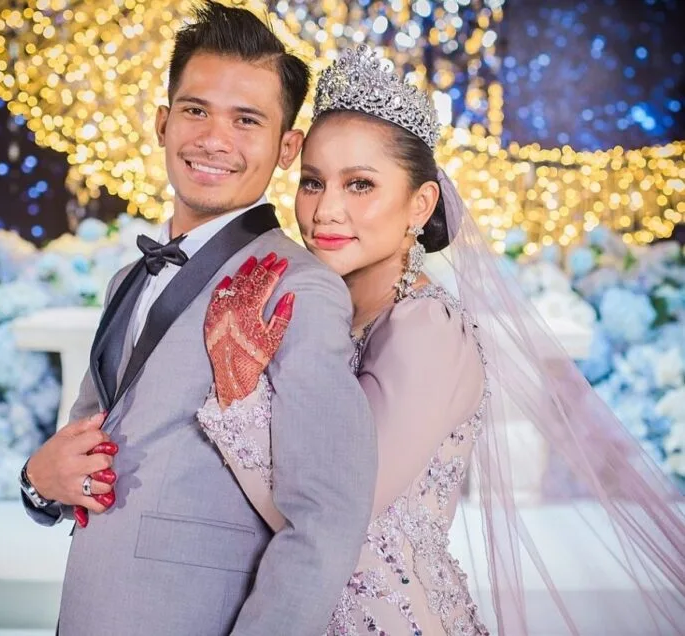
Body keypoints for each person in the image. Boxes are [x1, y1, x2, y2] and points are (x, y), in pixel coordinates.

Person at [197, 45, 685, 634]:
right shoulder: (330, 313)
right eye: (313, 182)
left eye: (360, 185)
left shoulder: (424, 328)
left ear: (420, 203)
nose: (325, 210)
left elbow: (336, 514)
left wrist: (237, 397)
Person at [18, 5, 377, 635]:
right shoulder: (126, 280)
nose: (214, 139)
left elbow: (327, 517)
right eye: (195, 110)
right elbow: (84, 451)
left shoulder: (300, 287)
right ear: (163, 122)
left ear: (287, 147)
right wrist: (37, 484)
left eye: (246, 120)